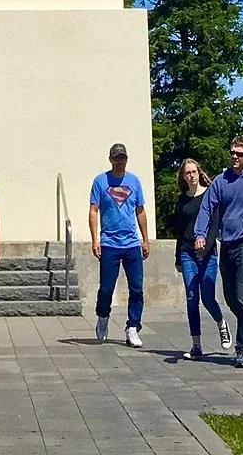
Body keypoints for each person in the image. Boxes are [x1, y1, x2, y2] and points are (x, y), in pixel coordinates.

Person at [194, 137, 243, 369]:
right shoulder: (220, 182)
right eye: (232, 153)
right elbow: (207, 208)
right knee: (230, 299)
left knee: (242, 295)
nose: (235, 157)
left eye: (240, 153)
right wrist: (200, 234)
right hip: (226, 244)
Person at [89, 143, 149, 348]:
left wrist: (145, 239)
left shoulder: (134, 181)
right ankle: (103, 317)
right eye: (116, 158)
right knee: (106, 287)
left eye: (122, 158)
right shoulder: (100, 181)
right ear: (110, 159)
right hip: (109, 243)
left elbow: (140, 210)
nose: (119, 162)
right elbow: (93, 210)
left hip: (131, 243)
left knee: (136, 287)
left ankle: (133, 326)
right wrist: (95, 239)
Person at [175, 160, 230, 359]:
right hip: (187, 252)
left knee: (207, 298)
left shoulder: (209, 195)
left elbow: (214, 225)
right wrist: (177, 257)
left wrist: (205, 248)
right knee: (191, 298)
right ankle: (196, 344)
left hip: (207, 253)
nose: (191, 176)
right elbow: (180, 231)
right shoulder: (182, 201)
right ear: (183, 177)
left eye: (193, 172)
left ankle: (221, 323)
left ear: (199, 173)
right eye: (187, 173)